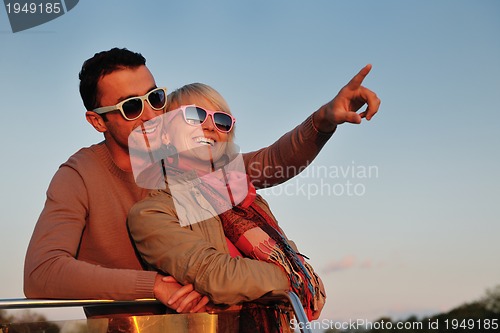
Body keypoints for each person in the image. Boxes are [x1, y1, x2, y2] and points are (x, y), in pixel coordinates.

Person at [23, 47, 380, 318]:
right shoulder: (80, 175)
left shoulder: (188, 166)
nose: (149, 115)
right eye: (131, 107)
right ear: (97, 121)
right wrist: (152, 287)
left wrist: (324, 119)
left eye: (155, 98)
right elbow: (42, 272)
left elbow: (271, 162)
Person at [127, 83, 327, 332]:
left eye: (221, 121)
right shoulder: (152, 212)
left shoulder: (247, 199)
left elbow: (287, 254)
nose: (210, 126)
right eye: (194, 115)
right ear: (165, 134)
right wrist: (295, 277)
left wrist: (325, 122)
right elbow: (218, 277)